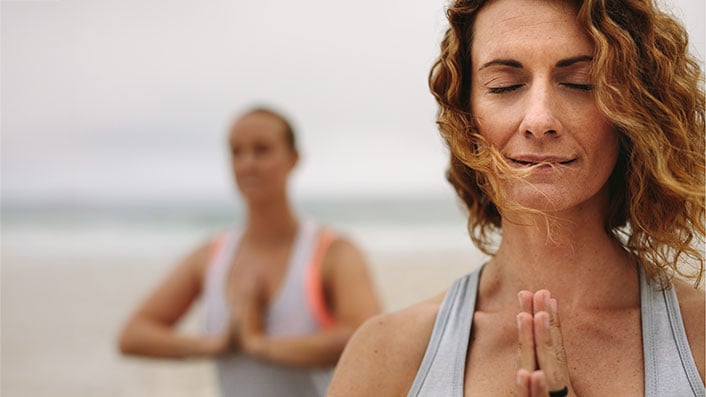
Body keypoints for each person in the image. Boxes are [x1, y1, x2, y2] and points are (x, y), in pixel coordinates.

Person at [328, 0, 705, 396]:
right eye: (505, 86)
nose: (539, 120)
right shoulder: (386, 354)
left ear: (634, 108)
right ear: (466, 113)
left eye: (580, 82)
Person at [118, 107, 381, 396]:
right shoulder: (210, 256)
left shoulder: (333, 252)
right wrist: (213, 345)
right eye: (236, 152)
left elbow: (368, 338)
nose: (247, 163)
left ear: (294, 159)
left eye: (262, 150)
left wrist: (260, 345)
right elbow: (133, 335)